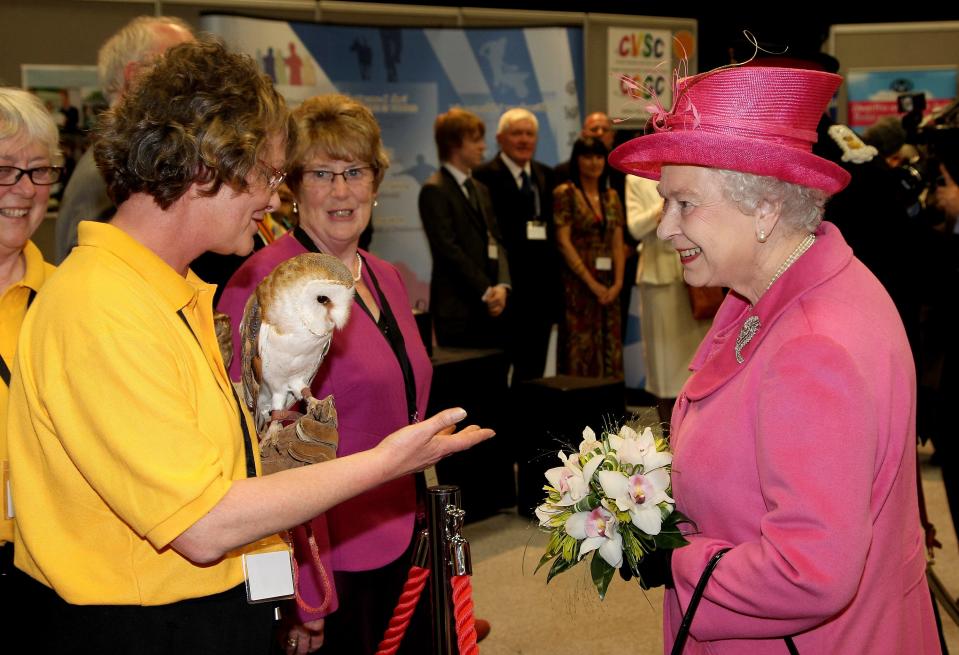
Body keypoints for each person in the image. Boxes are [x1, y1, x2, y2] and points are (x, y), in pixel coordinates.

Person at [7, 41, 491, 655]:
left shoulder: (166, 291)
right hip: (143, 626)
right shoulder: (102, 307)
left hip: (199, 611)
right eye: (266, 174)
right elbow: (204, 523)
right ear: (206, 165)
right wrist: (386, 462)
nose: (273, 198)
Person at [609, 65, 939, 652]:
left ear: (764, 208)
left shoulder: (813, 346)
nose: (665, 228)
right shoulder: (782, 289)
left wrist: (674, 561)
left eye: (685, 204)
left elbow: (807, 572)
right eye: (665, 202)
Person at [218, 93, 434, 654]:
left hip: (405, 536)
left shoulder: (386, 277)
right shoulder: (261, 282)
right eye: (321, 173)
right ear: (291, 184)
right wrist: (303, 594)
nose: (341, 191)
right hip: (328, 559)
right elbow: (260, 455)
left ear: (376, 180)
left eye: (354, 171)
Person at [53, 15, 194, 264]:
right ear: (135, 77)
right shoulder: (112, 170)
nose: (197, 86)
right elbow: (93, 272)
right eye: (182, 70)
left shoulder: (125, 162)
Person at [0, 88, 61, 584]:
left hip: (49, 567)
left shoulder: (73, 301)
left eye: (39, 171)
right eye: (3, 170)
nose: (23, 190)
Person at [473, 107, 562, 381]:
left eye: (529, 134)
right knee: (497, 378)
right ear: (500, 138)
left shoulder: (546, 175)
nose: (524, 140)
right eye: (516, 134)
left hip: (540, 299)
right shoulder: (481, 176)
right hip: (505, 295)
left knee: (532, 377)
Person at [419, 107, 510, 348]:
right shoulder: (434, 190)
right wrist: (486, 290)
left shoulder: (480, 189)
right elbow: (449, 250)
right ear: (454, 144)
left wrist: (501, 285)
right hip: (457, 310)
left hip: (490, 307)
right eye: (475, 140)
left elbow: (496, 239)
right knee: (463, 384)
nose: (483, 146)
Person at [625, 173, 711, 426]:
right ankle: (671, 440)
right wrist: (670, 200)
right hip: (659, 280)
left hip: (699, 276)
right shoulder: (635, 177)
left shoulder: (692, 166)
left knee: (700, 364)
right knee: (664, 370)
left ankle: (699, 431)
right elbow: (635, 227)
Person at [553, 136, 624, 378]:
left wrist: (618, 284)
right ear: (577, 160)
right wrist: (591, 284)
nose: (594, 163)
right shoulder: (565, 193)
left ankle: (609, 412)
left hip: (609, 286)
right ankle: (579, 412)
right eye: (587, 156)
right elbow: (563, 242)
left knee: (609, 345)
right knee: (580, 348)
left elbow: (617, 242)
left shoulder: (611, 196)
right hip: (579, 287)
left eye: (598, 156)